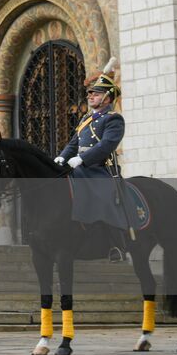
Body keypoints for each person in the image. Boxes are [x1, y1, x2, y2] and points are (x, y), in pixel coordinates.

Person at [54, 66, 128, 261]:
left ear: (108, 97)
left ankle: (116, 246)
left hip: (100, 170)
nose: (91, 96)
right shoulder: (86, 119)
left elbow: (106, 145)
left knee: (104, 197)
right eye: (90, 93)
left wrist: (82, 159)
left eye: (96, 93)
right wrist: (62, 157)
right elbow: (73, 143)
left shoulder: (114, 119)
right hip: (80, 168)